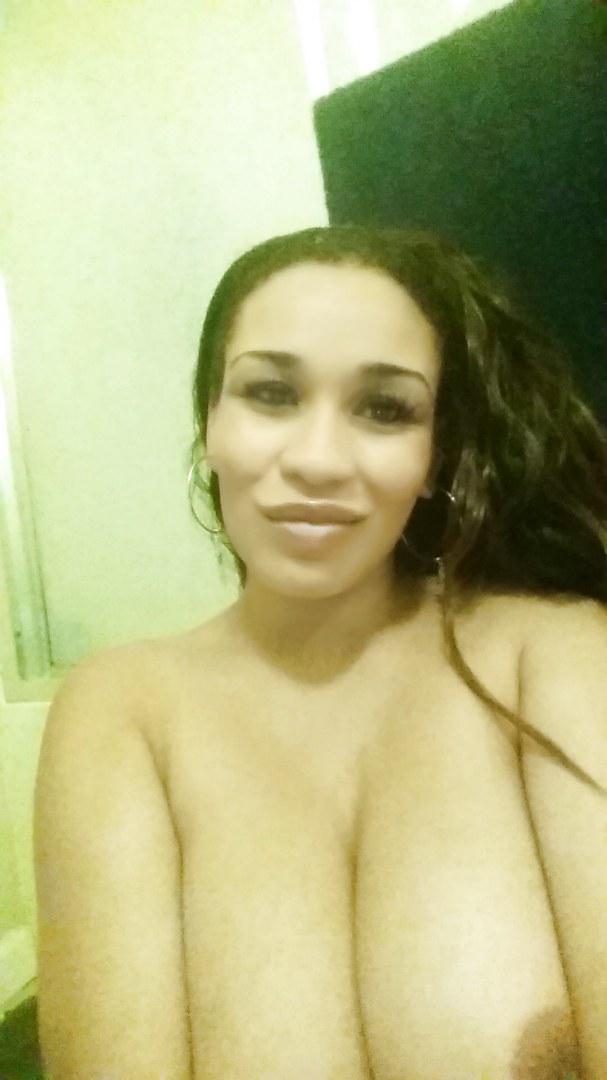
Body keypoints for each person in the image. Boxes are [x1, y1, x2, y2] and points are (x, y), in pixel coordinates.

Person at [34, 224, 607, 1079]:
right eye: (270, 393)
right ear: (209, 424)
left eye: (384, 408)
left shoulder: (551, 656)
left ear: (433, 456)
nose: (317, 460)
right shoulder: (123, 711)